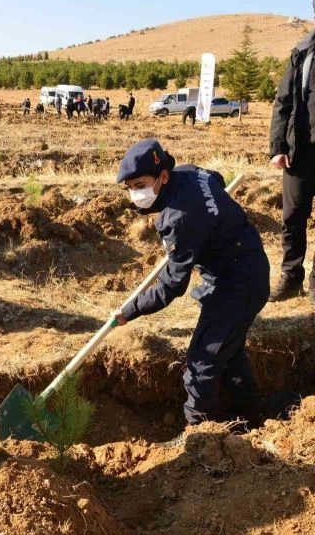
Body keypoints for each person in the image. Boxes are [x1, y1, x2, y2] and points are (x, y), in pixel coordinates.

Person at [112, 139, 269, 434]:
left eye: (141, 184)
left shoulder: (179, 219)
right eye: (130, 187)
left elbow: (171, 287)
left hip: (237, 284)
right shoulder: (192, 173)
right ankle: (251, 417)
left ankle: (201, 437)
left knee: (202, 362)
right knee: (229, 353)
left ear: (163, 176)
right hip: (247, 266)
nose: (136, 194)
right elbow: (217, 179)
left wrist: (130, 311)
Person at [268, 0, 315, 303]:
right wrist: (277, 146)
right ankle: (291, 278)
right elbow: (283, 101)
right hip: (300, 153)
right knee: (293, 216)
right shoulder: (302, 51)